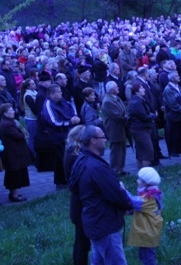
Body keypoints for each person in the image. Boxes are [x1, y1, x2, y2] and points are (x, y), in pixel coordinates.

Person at [68, 126, 133, 265]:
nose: (106, 139)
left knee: (98, 260)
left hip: (94, 221)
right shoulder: (97, 167)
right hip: (105, 224)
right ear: (93, 140)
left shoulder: (81, 160)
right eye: (103, 137)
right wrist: (129, 204)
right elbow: (115, 194)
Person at [38, 84, 81, 189]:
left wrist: (74, 116)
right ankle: (69, 180)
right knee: (65, 158)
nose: (61, 93)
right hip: (56, 135)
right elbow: (54, 122)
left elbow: (70, 105)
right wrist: (70, 122)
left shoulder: (62, 101)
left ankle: (60, 181)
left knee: (59, 159)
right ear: (52, 94)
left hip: (65, 133)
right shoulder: (48, 104)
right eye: (58, 92)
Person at [63, 125, 90, 265]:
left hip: (78, 202)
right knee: (81, 242)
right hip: (81, 204)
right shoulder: (76, 157)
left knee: (81, 241)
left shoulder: (72, 152)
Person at [128, 167, 164, 265]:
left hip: (148, 231)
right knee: (144, 254)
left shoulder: (148, 198)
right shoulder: (151, 195)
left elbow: (132, 201)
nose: (137, 181)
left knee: (148, 257)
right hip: (148, 230)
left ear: (146, 183)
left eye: (140, 179)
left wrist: (122, 190)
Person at [0, 103, 32, 203]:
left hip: (15, 152)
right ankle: (14, 195)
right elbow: (19, 136)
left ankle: (14, 193)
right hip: (13, 153)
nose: (13, 111)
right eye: (10, 110)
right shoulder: (7, 124)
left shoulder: (9, 122)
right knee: (14, 175)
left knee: (16, 173)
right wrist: (23, 133)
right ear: (5, 113)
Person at [102, 81, 128, 176]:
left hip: (121, 127)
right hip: (114, 128)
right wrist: (128, 117)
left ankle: (121, 168)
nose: (118, 88)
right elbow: (117, 116)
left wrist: (126, 115)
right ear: (112, 90)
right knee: (116, 149)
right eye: (117, 87)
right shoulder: (107, 101)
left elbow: (123, 110)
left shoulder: (116, 98)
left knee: (122, 148)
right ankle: (114, 170)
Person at [129, 83, 157, 169]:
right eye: (141, 88)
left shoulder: (138, 100)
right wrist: (154, 115)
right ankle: (145, 172)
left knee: (140, 151)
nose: (144, 90)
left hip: (139, 128)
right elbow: (144, 116)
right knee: (148, 151)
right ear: (136, 92)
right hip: (141, 129)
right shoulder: (137, 102)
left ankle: (141, 171)